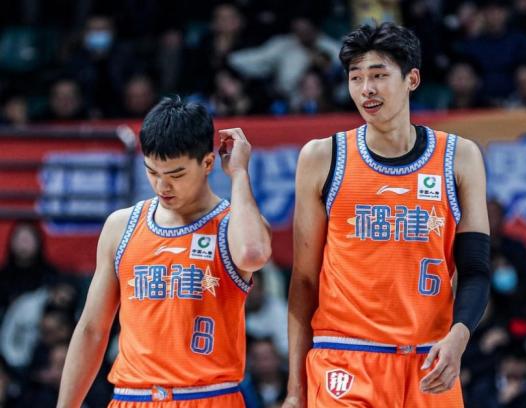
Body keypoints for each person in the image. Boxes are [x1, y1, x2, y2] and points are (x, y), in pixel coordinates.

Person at [284, 22, 491, 407]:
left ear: (412, 79)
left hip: (428, 359)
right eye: (356, 77)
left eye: (378, 75)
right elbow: (304, 280)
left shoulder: (459, 157)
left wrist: (459, 336)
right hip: (344, 358)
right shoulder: (322, 157)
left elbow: (475, 269)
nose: (366, 89)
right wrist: (295, 391)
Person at [56, 97, 272, 407]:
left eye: (176, 175)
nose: (162, 186)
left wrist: (238, 174)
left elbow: (253, 255)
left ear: (207, 163)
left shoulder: (232, 225)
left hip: (208, 397)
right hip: (133, 397)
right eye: (152, 172)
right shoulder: (121, 226)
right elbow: (92, 329)